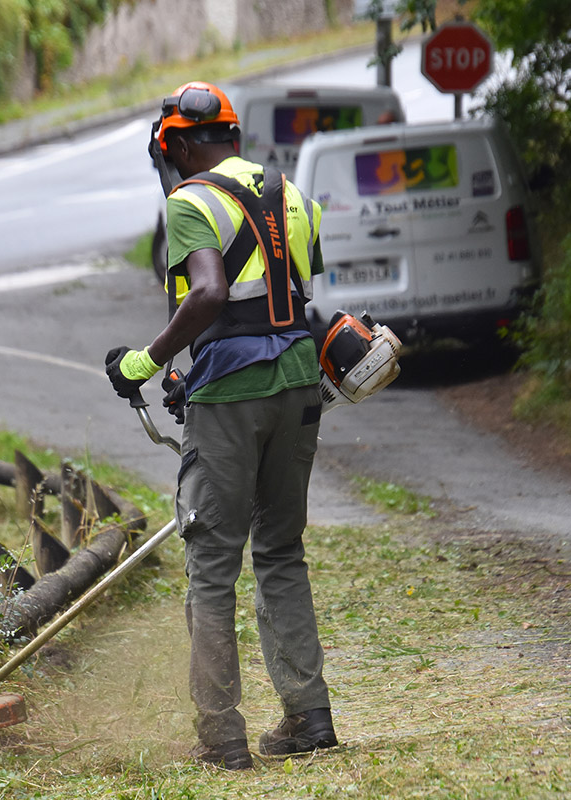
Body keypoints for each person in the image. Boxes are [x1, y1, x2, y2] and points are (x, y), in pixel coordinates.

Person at [104, 81, 337, 770]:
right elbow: (283, 301)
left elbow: (209, 292)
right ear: (233, 136)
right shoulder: (293, 195)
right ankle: (309, 716)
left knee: (211, 564)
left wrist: (146, 362)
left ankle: (222, 734)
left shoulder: (189, 201)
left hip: (234, 396)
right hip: (298, 386)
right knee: (281, 550)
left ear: (177, 147)